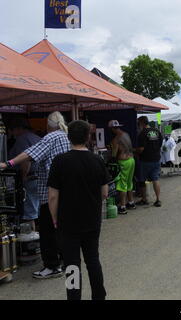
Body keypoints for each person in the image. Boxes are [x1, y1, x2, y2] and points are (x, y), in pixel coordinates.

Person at [0, 111, 70, 279]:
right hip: (66, 191)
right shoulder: (65, 137)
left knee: (46, 230)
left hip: (50, 192)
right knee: (61, 229)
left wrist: (8, 163)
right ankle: (64, 261)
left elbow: (29, 154)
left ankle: (52, 267)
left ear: (48, 125)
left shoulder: (50, 137)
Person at [47, 120, 109, 300]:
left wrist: (55, 219)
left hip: (67, 223)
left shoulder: (59, 161)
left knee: (72, 265)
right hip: (91, 220)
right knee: (93, 261)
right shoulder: (97, 160)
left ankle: (74, 297)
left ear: (68, 138)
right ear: (88, 137)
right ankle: (99, 296)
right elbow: (105, 192)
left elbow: (52, 196)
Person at [8, 118, 41, 230]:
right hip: (40, 178)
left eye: (12, 130)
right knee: (40, 211)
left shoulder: (22, 139)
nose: (11, 133)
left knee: (29, 214)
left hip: (30, 178)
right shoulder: (37, 138)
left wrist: (23, 179)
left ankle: (31, 239)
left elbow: (25, 161)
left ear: (18, 129)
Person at [109, 120, 136, 214]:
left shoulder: (115, 139)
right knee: (129, 182)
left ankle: (123, 206)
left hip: (124, 161)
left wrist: (110, 152)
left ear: (112, 128)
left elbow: (114, 153)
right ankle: (131, 203)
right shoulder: (126, 134)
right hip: (132, 160)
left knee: (122, 183)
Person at [135, 117, 163, 207]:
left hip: (145, 160)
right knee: (155, 179)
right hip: (156, 158)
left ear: (142, 123)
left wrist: (134, 151)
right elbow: (160, 144)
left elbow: (141, 149)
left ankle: (144, 199)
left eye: (138, 123)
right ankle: (158, 200)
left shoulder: (142, 133)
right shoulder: (157, 131)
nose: (138, 125)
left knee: (142, 180)